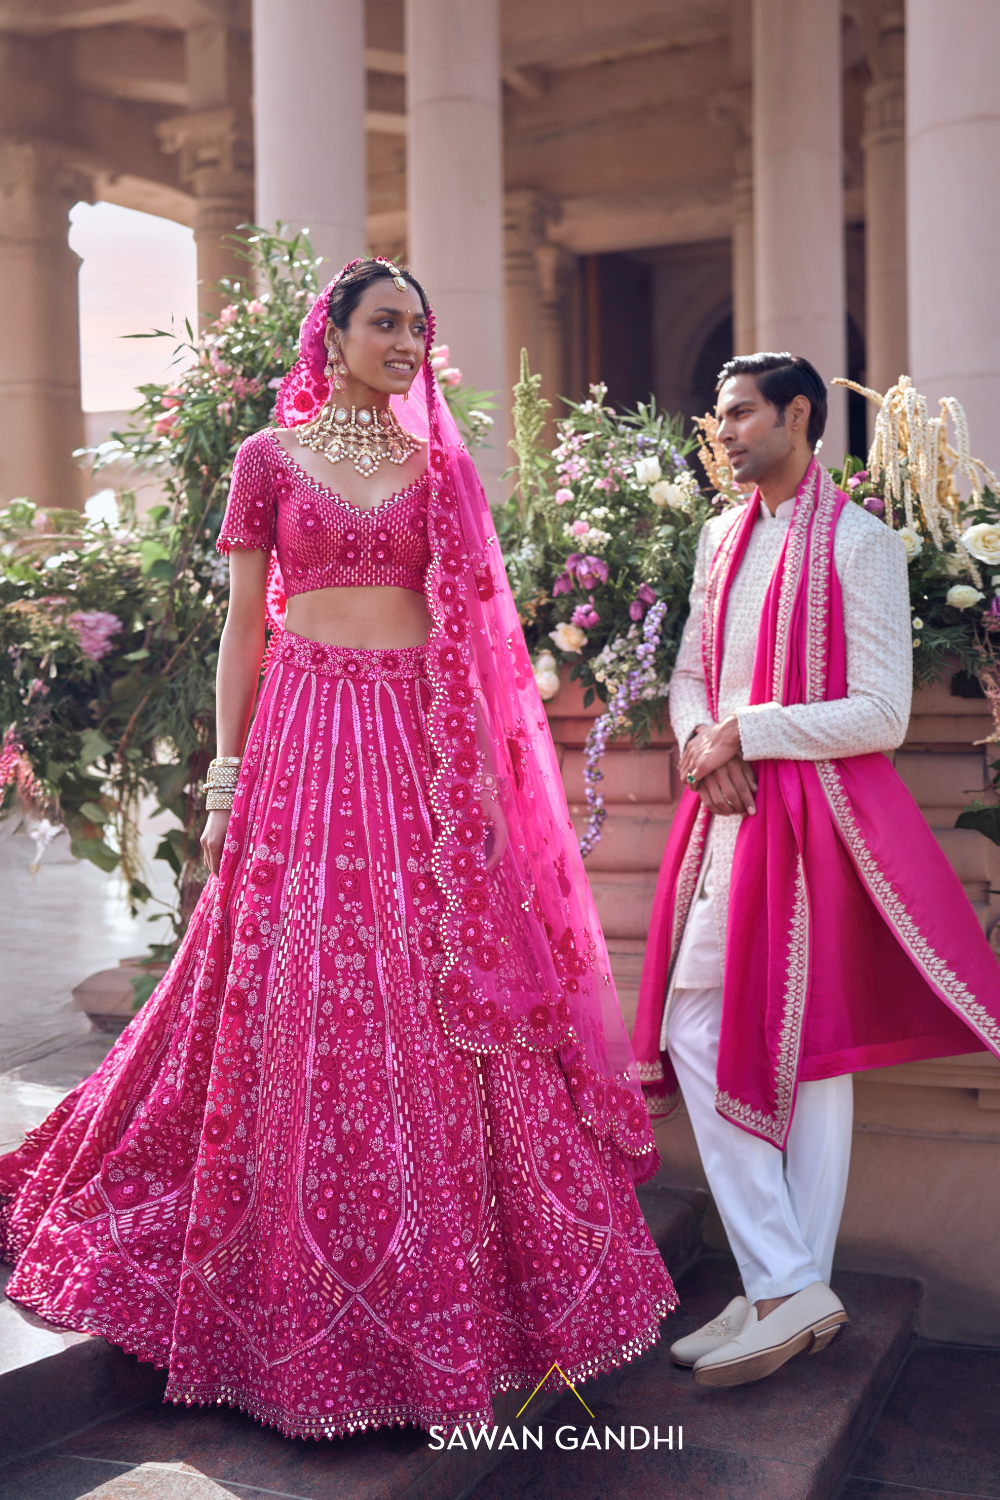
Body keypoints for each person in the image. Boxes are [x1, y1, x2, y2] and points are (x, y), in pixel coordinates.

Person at [0, 258, 676, 1440]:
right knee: (292, 980)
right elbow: (241, 630)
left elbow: (475, 641)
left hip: (412, 742)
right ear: (337, 333)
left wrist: (482, 786)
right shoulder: (268, 461)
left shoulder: (442, 470)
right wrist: (222, 777)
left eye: (420, 325)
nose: (408, 342)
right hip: (303, 731)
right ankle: (271, 1293)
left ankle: (442, 1298)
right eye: (386, 323)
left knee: (427, 988)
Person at [632, 353, 1000, 1389]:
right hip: (729, 815)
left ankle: (784, 1287)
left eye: (742, 414)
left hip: (822, 819)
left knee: (814, 1050)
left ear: (799, 415)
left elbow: (880, 713)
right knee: (695, 1021)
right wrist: (707, 738)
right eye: (717, 418)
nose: (725, 433)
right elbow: (690, 672)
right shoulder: (717, 537)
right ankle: (783, 1282)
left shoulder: (862, 542)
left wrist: (748, 732)